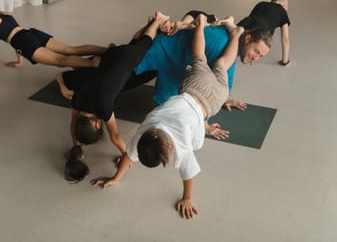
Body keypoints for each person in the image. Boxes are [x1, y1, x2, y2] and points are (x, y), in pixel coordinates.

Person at [91, 15, 244, 219]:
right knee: (200, 58)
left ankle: (236, 35)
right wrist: (116, 177)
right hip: (194, 87)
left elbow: (188, 174)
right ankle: (203, 26)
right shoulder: (148, 128)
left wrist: (187, 198)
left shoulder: (179, 144)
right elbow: (130, 153)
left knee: (222, 65)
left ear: (169, 148)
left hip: (213, 101)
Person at [56, 12, 169, 158]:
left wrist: (125, 156)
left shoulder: (103, 107)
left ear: (97, 125)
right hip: (110, 56)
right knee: (136, 43)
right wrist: (75, 147)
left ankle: (158, 20)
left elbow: (115, 137)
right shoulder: (78, 99)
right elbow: (72, 125)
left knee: (145, 43)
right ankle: (151, 24)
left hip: (125, 60)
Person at [0, 0, 106, 86]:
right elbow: (13, 32)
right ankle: (107, 50)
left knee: (60, 60)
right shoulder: (2, 13)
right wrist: (20, 61)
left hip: (23, 42)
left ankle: (92, 63)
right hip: (31, 33)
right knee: (70, 49)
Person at [130, 23, 272, 108]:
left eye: (260, 56)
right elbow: (202, 80)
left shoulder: (231, 48)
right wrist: (203, 121)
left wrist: (223, 99)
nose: (256, 58)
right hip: (154, 50)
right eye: (256, 51)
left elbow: (225, 76)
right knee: (117, 79)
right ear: (247, 38)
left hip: (169, 61)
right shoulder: (220, 40)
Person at [237, 0, 295, 67]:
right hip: (264, 30)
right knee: (262, 41)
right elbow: (285, 39)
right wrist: (285, 61)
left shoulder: (261, 4)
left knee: (235, 34)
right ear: (284, 6)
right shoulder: (282, 11)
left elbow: (251, 18)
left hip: (250, 22)